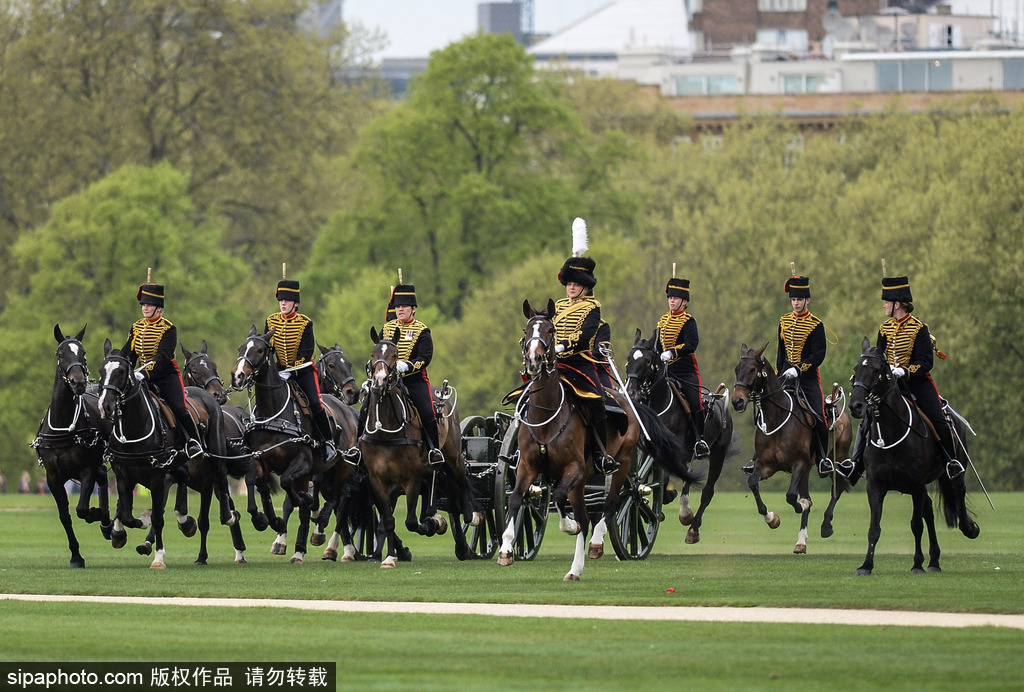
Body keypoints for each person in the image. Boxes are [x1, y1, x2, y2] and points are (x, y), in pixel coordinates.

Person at [843, 275, 963, 482]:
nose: (884, 307)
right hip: (891, 387)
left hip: (917, 383)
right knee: (867, 420)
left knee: (939, 420)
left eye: (886, 303)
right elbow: (878, 357)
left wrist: (905, 371)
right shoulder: (884, 328)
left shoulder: (919, 328)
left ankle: (950, 462)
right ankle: (856, 465)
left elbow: (926, 362)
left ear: (897, 304)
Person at [343, 284, 443, 465]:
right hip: (389, 381)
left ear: (413, 309)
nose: (400, 310)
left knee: (427, 412)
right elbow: (377, 355)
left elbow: (425, 358)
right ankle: (357, 449)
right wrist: (371, 376)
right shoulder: (387, 328)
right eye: (397, 307)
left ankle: (433, 450)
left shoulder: (422, 330)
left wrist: (408, 366)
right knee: (365, 408)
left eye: (404, 307)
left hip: (413, 380)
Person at [553, 249, 619, 475]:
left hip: (579, 364)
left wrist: (563, 346)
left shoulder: (592, 308)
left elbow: (584, 336)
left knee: (598, 404)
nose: (571, 287)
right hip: (555, 365)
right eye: (569, 283)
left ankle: (600, 455)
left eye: (576, 284)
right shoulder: (558, 306)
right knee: (527, 395)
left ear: (585, 287)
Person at [125, 283, 204, 459]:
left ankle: (194, 441)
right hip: (140, 376)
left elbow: (163, 356)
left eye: (149, 305)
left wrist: (144, 373)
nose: (145, 307)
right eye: (143, 305)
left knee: (179, 407)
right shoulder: (136, 327)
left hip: (165, 376)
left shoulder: (168, 328)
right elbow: (130, 354)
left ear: (158, 308)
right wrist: (127, 371)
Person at [265, 279, 336, 463]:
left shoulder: (305, 323)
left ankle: (328, 443)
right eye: (281, 300)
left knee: (314, 403)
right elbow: (268, 349)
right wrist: (273, 370)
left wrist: (290, 371)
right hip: (279, 372)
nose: (283, 303)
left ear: (295, 303)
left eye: (287, 300)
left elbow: (306, 352)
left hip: (303, 371)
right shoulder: (271, 321)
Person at [776, 275, 833, 477]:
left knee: (819, 416)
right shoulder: (783, 321)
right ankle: (760, 456)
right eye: (793, 300)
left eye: (799, 299)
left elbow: (818, 356)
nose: (796, 303)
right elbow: (780, 353)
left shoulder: (815, 324)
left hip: (807, 378)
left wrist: (799, 369)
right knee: (767, 407)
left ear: (807, 300)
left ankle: (823, 458)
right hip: (785, 375)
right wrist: (779, 374)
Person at [654, 277, 710, 458]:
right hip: (666, 372)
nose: (672, 300)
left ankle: (699, 440)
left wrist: (672, 352)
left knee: (696, 402)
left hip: (686, 372)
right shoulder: (662, 321)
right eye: (670, 297)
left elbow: (691, 344)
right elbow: (657, 346)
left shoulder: (688, 321)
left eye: (676, 298)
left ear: (684, 302)